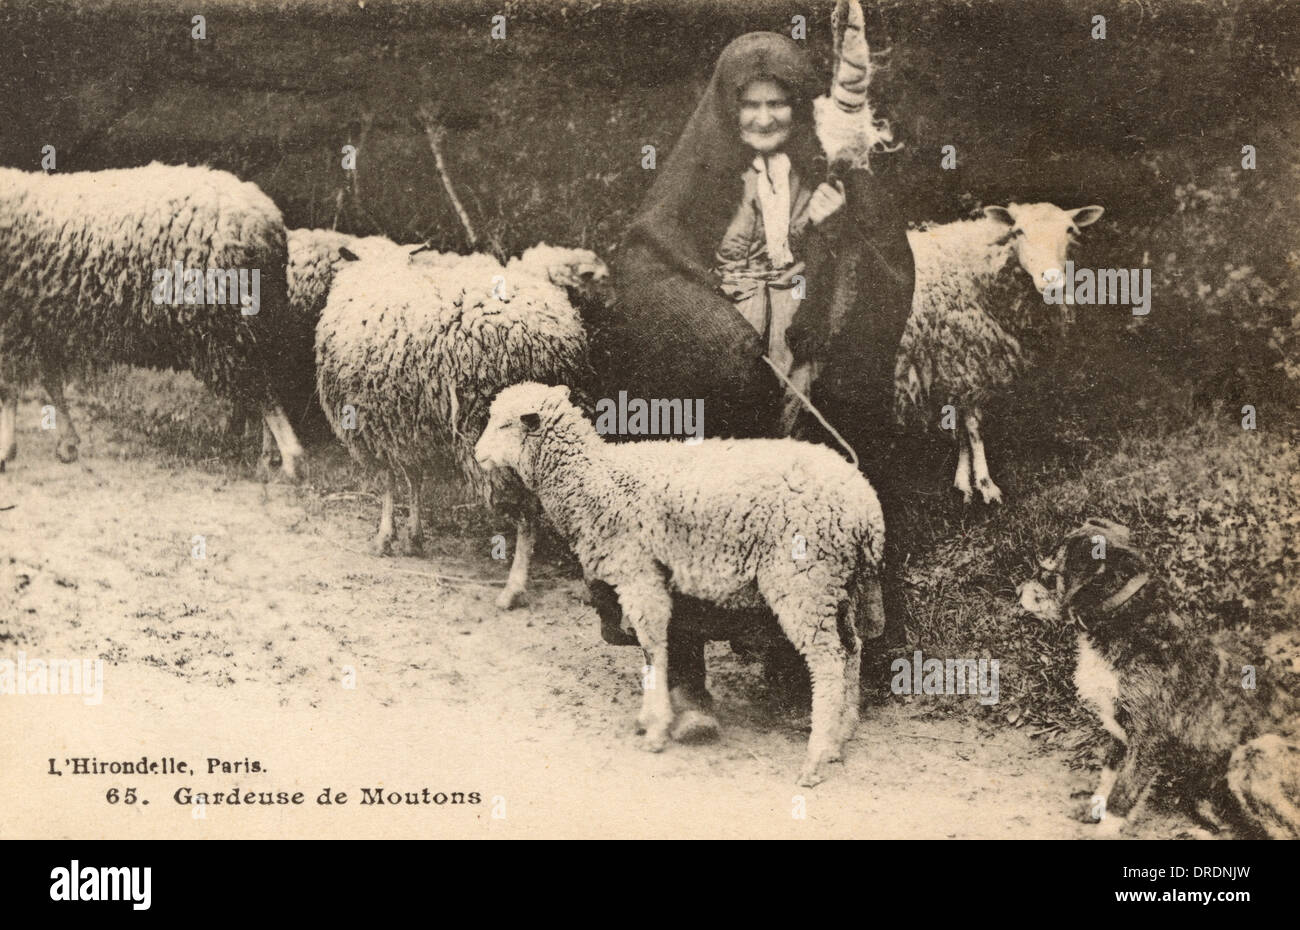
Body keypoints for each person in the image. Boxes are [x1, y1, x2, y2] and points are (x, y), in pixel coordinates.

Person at [584, 31, 913, 742]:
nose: (765, 118)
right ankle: (684, 675)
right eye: (751, 105)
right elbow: (646, 266)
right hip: (716, 375)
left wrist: (828, 321)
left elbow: (881, 259)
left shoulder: (824, 175)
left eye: (779, 104)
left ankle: (798, 665)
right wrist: (711, 331)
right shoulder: (696, 180)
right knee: (698, 516)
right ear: (727, 109)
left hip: (800, 371)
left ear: (799, 109)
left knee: (799, 511)